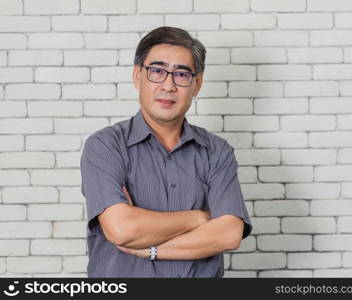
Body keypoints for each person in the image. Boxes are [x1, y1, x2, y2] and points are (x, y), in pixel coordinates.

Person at [80, 26, 252, 278]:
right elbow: (121, 229)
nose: (169, 85)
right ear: (137, 76)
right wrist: (202, 217)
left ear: (197, 84)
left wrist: (149, 249)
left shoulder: (216, 152)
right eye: (157, 71)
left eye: (182, 75)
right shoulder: (106, 146)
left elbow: (228, 234)